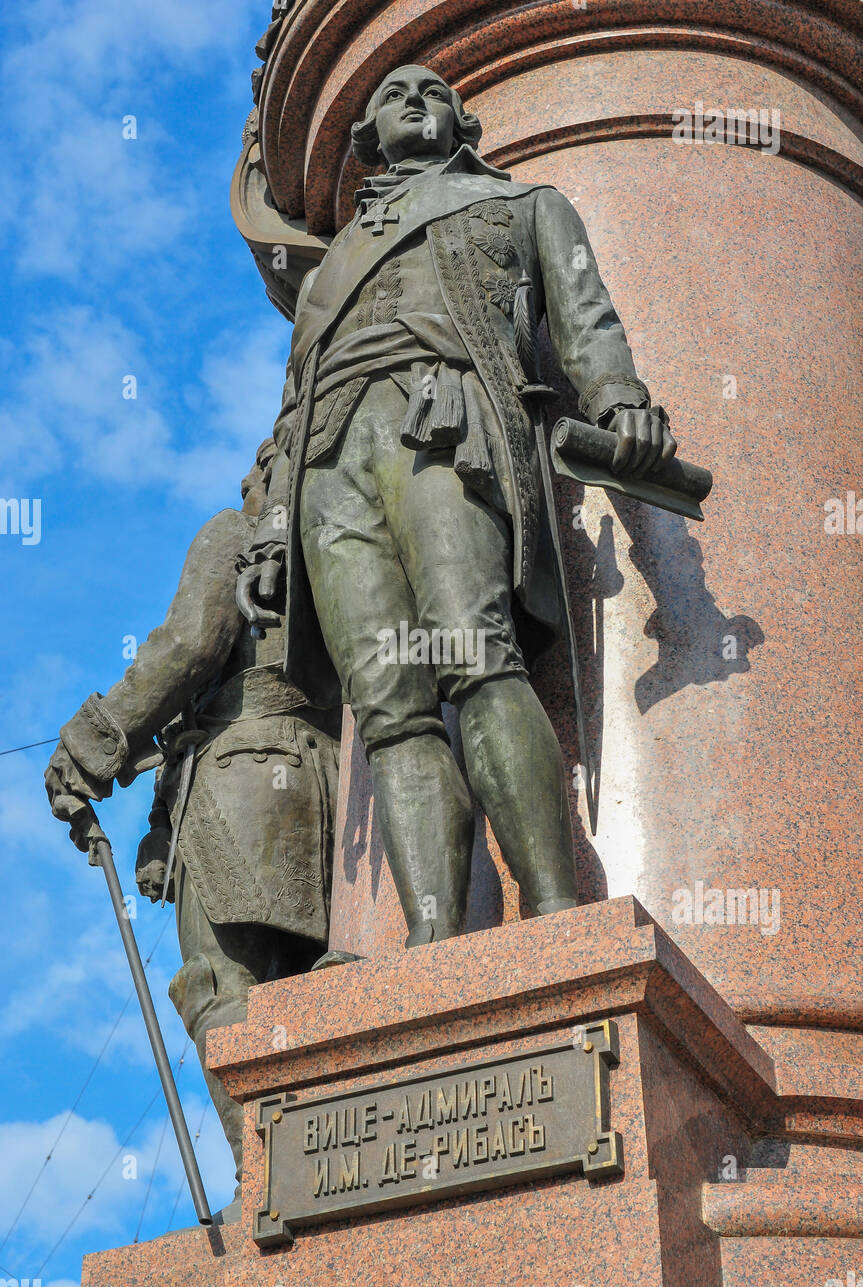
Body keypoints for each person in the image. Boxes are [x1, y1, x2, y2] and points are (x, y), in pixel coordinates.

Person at [238, 65, 677, 949]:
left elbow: (585, 318)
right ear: (366, 135)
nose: (414, 98)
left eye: (433, 90)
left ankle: (555, 910)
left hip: (440, 426)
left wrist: (619, 397)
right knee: (390, 708)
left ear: (461, 122)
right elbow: (291, 412)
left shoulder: (524, 205)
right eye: (394, 92)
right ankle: (429, 949)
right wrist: (269, 531)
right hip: (330, 469)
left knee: (476, 655)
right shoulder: (331, 269)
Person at [45, 441, 340, 1217]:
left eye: (251, 470)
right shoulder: (345, 528)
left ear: (261, 472)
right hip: (340, 790)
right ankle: (347, 1161)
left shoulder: (237, 529)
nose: (245, 482)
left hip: (244, 782)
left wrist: (88, 743)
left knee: (219, 987)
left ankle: (276, 1181)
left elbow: (188, 647)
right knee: (319, 991)